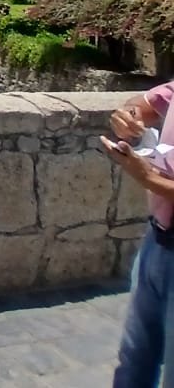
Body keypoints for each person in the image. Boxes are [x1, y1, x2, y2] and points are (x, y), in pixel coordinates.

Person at [104, 81, 174, 387]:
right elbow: (144, 104)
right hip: (156, 243)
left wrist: (147, 178)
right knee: (134, 361)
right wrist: (127, 117)